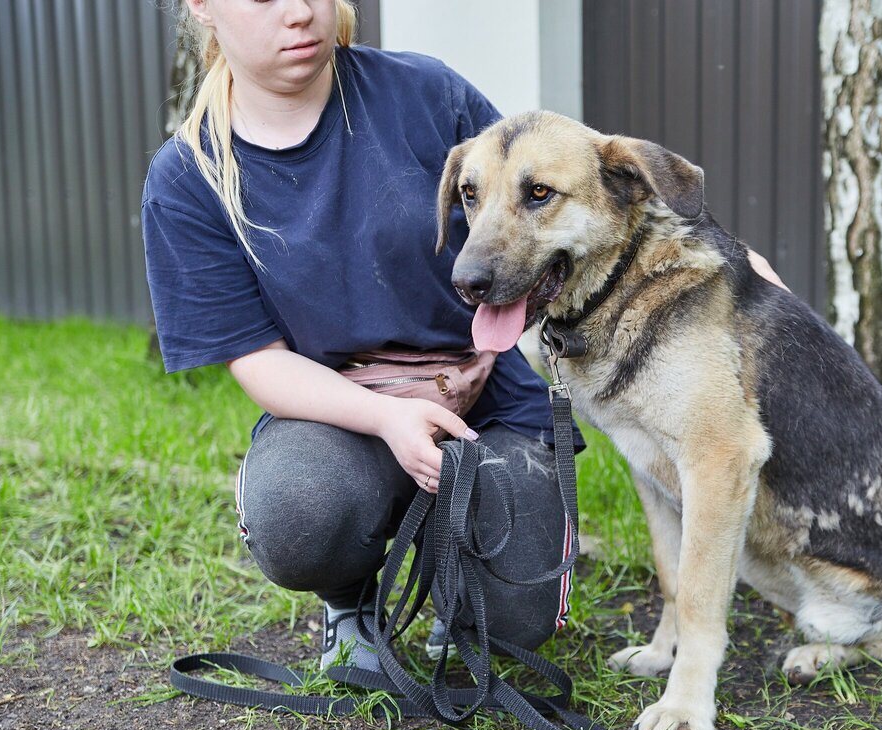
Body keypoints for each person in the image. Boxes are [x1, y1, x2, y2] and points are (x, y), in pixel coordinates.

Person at [143, 0, 580, 671]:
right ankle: (348, 598)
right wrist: (387, 417)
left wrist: (723, 258)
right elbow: (258, 363)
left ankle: (456, 570)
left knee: (517, 620)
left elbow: (567, 186)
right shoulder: (187, 178)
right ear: (202, 7)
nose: (299, 12)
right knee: (297, 512)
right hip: (342, 417)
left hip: (486, 404)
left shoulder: (427, 94)